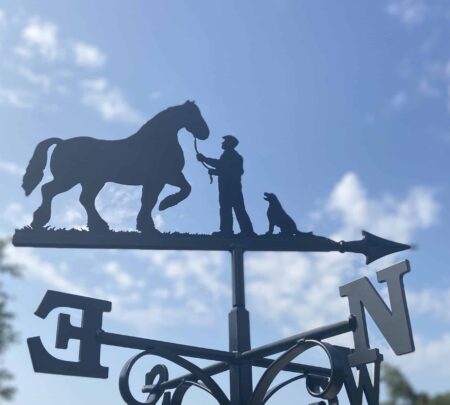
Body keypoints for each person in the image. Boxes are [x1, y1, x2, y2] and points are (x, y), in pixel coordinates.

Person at [197, 135, 256, 237]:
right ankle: (228, 231)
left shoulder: (234, 157)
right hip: (227, 187)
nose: (222, 143)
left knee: (235, 209)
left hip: (232, 188)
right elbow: (220, 165)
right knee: (227, 208)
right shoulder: (227, 155)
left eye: (225, 142)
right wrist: (205, 159)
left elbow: (227, 170)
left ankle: (243, 231)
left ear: (230, 144)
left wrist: (213, 169)